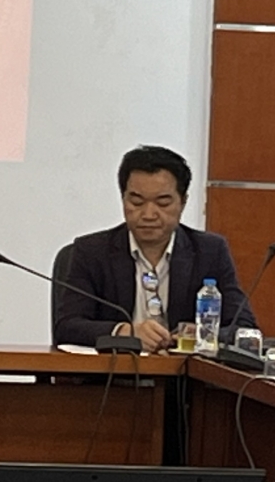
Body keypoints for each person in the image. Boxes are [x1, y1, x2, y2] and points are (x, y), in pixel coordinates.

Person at [54, 145, 257, 352]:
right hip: (114, 370)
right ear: (123, 199)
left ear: (183, 202)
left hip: (181, 371)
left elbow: (244, 329)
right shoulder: (92, 251)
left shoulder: (210, 251)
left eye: (163, 203)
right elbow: (66, 327)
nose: (149, 214)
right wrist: (125, 332)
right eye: (137, 202)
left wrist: (198, 334)